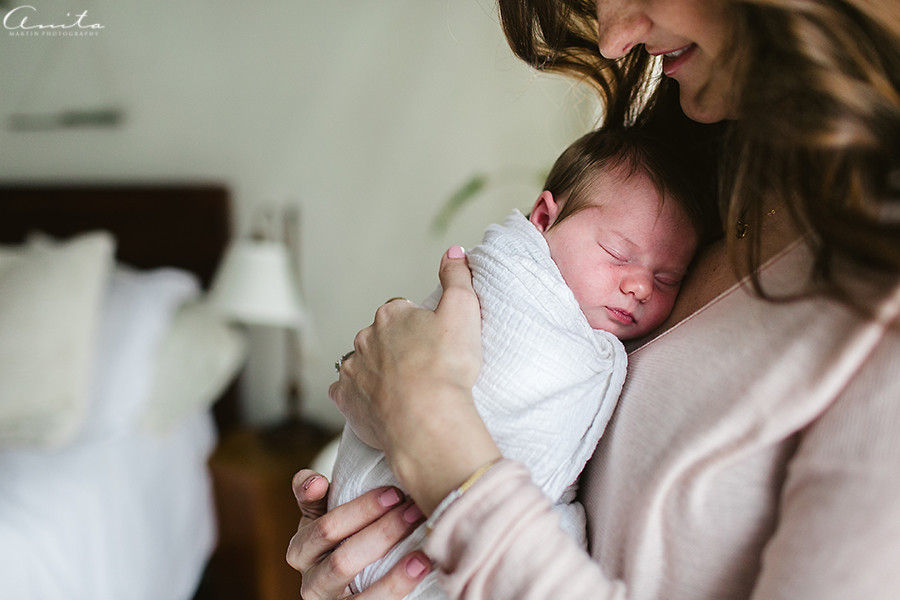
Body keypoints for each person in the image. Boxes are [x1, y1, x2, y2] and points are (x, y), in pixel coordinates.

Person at [287, 0, 900, 598]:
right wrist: (374, 551)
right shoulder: (700, 176)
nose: (611, 39)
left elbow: (450, 443)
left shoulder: (878, 317)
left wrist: (431, 435)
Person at [327, 127, 703, 599]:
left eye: (666, 278)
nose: (640, 287)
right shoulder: (510, 280)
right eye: (617, 254)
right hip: (391, 528)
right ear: (544, 218)